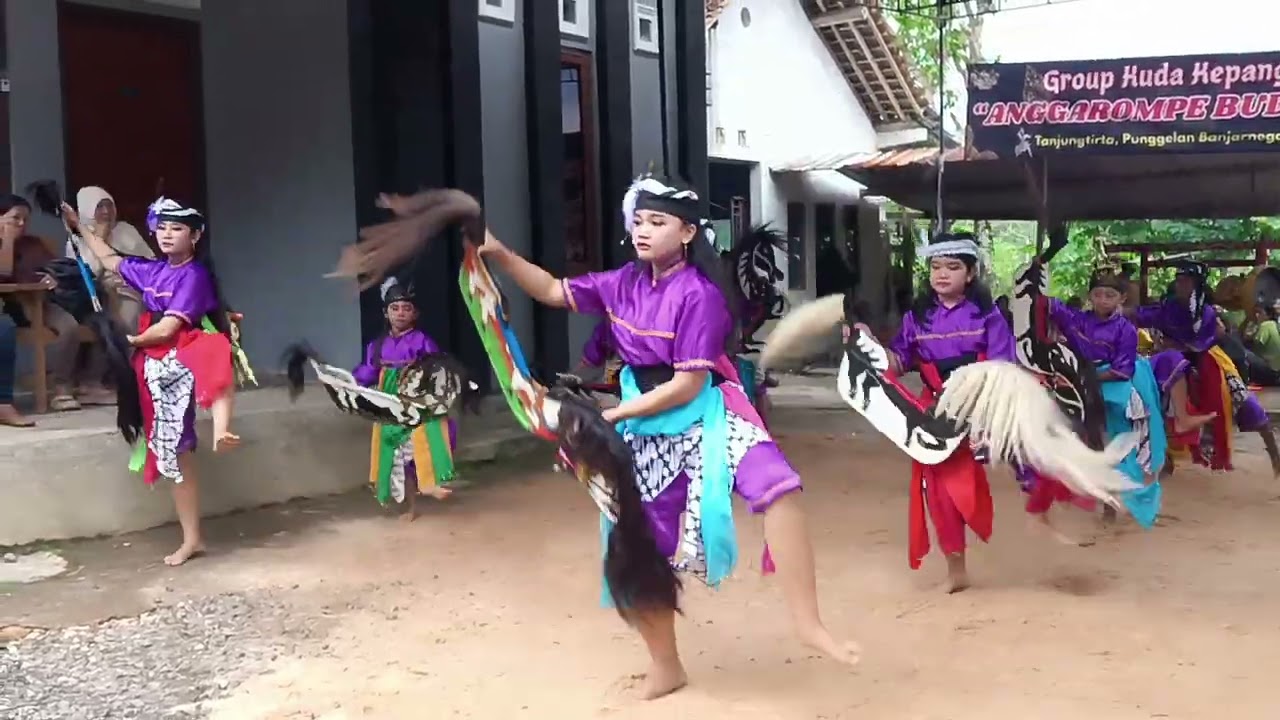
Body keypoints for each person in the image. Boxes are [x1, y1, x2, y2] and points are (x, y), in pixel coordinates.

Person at [471, 174, 857, 699]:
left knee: (779, 487)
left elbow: (686, 385)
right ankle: (666, 663)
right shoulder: (621, 283)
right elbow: (550, 290)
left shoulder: (701, 296)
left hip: (702, 413)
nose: (643, 231)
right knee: (635, 548)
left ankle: (809, 623)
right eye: (639, 222)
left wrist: (612, 417)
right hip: (640, 424)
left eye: (658, 222)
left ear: (689, 232)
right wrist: (497, 252)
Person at [853, 232, 1079, 591]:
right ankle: (956, 571)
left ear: (970, 274)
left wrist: (988, 418)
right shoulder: (917, 319)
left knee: (1033, 447)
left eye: (953, 267)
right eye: (936, 266)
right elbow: (896, 362)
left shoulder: (987, 316)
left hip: (985, 404)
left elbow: (1003, 368)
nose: (942, 274)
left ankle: (1042, 511)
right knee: (941, 491)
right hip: (938, 411)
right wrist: (867, 345)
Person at [61, 196, 240, 566]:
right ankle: (193, 538)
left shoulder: (195, 275)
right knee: (176, 452)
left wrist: (127, 341)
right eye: (162, 228)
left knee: (217, 363)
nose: (167, 235)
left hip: (182, 350)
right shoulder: (154, 270)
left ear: (196, 235)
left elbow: (170, 326)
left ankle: (223, 428)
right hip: (155, 361)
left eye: (177, 229)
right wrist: (79, 227)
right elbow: (110, 258)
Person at [1044, 266, 1166, 527]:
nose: (1102, 300)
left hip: (1113, 385)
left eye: (1109, 295)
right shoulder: (1079, 320)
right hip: (1083, 382)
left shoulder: (1126, 330)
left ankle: (1117, 502)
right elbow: (1049, 304)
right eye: (1097, 294)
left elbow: (1122, 371)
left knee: (1117, 446)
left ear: (1121, 298)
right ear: (1090, 296)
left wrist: (1087, 378)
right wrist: (1036, 273)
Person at [1131, 261, 1270, 473]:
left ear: (1196, 285)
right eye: (1178, 280)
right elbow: (1141, 315)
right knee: (1149, 397)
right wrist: (1119, 310)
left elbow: (1199, 345)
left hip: (1208, 360)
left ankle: (1272, 451)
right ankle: (1162, 452)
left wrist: (1175, 345)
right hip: (1174, 362)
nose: (1180, 285)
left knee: (1243, 400)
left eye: (1185, 281)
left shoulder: (1208, 313)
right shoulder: (1168, 308)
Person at [352, 276, 455, 520]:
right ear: (385, 313)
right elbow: (367, 371)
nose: (400, 313)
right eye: (394, 308)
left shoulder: (422, 341)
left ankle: (434, 483)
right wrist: (350, 384)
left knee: (425, 442)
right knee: (395, 454)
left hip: (417, 401)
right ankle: (410, 507)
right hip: (390, 404)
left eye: (406, 308)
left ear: (415, 313)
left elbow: (437, 369)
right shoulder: (376, 346)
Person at [0, 194, 86, 411]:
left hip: (41, 302)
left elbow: (52, 267)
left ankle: (61, 388)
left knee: (69, 326)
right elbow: (4, 272)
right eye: (15, 218)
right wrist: (7, 240)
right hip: (12, 305)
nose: (21, 224)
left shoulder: (34, 243)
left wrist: (51, 277)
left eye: (25, 219)